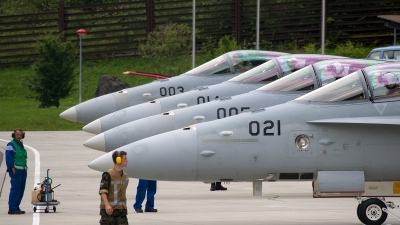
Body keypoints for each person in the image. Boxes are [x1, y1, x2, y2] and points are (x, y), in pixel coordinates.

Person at [99, 151, 129, 225]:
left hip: (121, 211)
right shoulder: (108, 174)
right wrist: (107, 205)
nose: (127, 160)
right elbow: (103, 191)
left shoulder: (125, 176)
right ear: (118, 160)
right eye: (125, 158)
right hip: (109, 212)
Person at [6, 128, 27, 215]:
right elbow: (8, 157)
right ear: (14, 135)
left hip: (23, 170)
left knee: (21, 190)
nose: (19, 136)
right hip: (16, 171)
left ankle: (16, 207)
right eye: (17, 135)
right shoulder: (11, 145)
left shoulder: (20, 144)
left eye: (20, 135)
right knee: (15, 189)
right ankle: (12, 208)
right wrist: (11, 167)